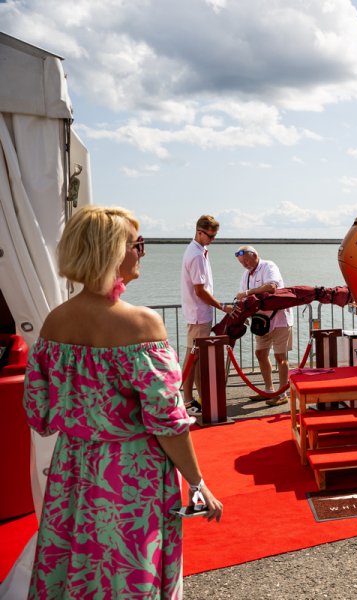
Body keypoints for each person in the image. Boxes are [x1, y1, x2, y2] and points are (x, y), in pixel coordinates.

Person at [23, 206, 223, 599]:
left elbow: (38, 413)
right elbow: (167, 422)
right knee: (129, 571)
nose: (142, 252)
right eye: (138, 244)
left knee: (78, 568)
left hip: (74, 470)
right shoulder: (141, 324)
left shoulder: (55, 322)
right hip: (131, 474)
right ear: (113, 251)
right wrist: (199, 484)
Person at [180, 215, 231, 413]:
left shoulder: (199, 250)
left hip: (199, 312)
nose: (212, 240)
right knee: (192, 357)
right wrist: (222, 307)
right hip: (198, 313)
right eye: (210, 236)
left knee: (196, 357)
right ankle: (187, 399)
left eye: (214, 236)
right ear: (199, 232)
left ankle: (199, 397)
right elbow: (200, 290)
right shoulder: (196, 255)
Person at [234, 245, 293, 406]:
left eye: (246, 260)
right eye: (242, 262)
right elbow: (241, 298)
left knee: (280, 357)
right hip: (260, 322)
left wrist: (247, 293)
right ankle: (268, 390)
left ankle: (282, 393)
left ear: (255, 255)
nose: (245, 264)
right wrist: (242, 315)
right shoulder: (246, 275)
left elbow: (271, 287)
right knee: (260, 353)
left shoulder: (269, 266)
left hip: (279, 319)